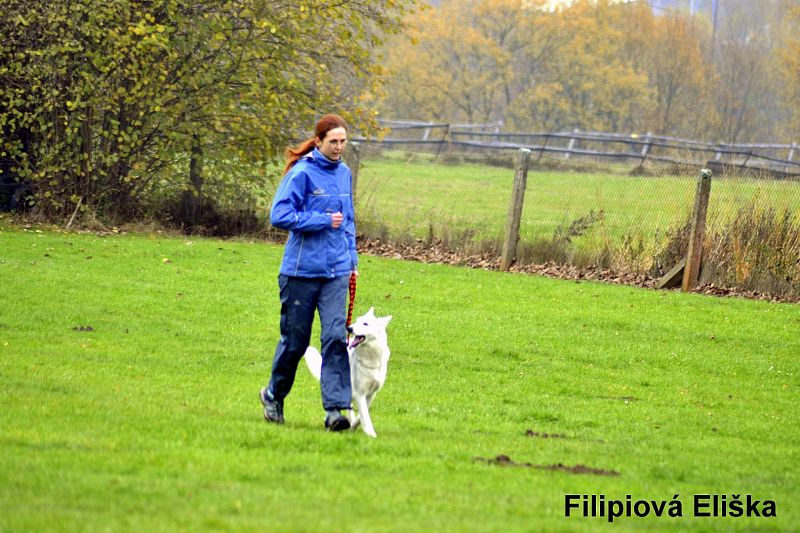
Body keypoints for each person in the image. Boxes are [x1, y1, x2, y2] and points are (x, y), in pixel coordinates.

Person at [260, 113, 358, 432]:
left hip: (336, 272)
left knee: (334, 338)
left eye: (343, 141)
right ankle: (273, 394)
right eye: (333, 142)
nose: (339, 147)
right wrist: (319, 221)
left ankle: (336, 411)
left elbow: (349, 221)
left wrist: (352, 261)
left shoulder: (344, 173)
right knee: (295, 342)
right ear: (318, 142)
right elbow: (279, 215)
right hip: (300, 273)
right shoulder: (302, 173)